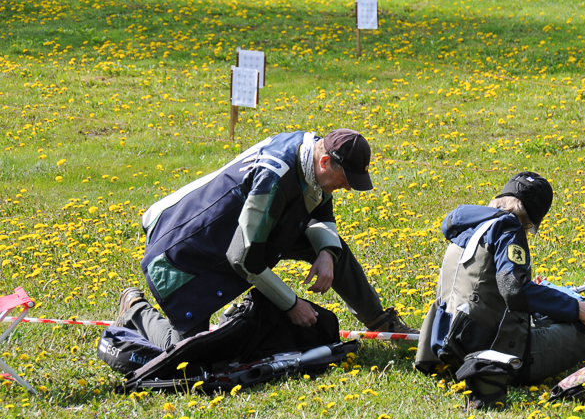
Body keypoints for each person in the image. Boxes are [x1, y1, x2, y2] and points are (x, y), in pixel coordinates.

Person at [116, 129, 416, 349]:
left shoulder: (310, 156)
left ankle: (378, 321)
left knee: (335, 249)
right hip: (184, 247)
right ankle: (133, 308)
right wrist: (291, 303)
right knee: (183, 350)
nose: (347, 189)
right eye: (344, 181)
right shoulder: (273, 179)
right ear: (325, 162)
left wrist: (326, 252)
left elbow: (318, 203)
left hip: (249, 231)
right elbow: (243, 258)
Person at [415, 171, 585, 407]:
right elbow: (514, 290)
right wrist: (574, 308)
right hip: (498, 356)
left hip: (454, 347)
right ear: (529, 219)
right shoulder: (508, 227)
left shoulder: (468, 227)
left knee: (559, 307)